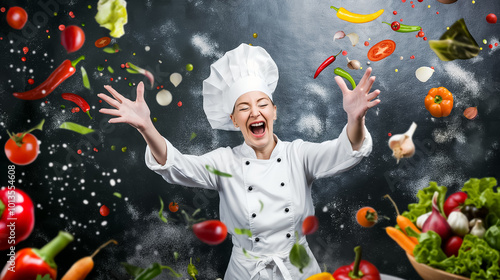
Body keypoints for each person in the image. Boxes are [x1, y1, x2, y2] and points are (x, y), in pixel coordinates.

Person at [98, 43, 381, 280]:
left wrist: (356, 119)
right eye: (244, 108)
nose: (254, 113)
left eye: (262, 104)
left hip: (299, 269)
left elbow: (346, 150)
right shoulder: (224, 163)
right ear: (234, 120)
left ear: (274, 112)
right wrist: (147, 127)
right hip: (247, 271)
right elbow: (176, 166)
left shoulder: (299, 154)